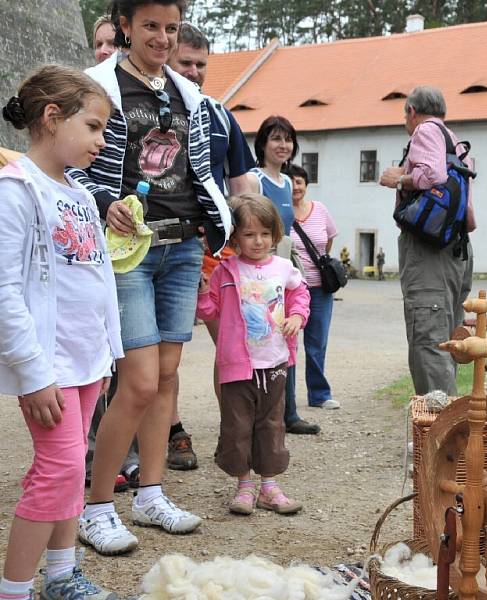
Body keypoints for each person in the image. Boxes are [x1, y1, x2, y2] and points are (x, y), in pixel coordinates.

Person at [68, 0, 232, 556]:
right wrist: (102, 201)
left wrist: (217, 225)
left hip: (184, 247)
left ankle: (151, 493)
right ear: (123, 27)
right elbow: (68, 168)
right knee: (136, 381)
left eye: (169, 27)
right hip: (129, 251)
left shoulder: (188, 94)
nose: (162, 38)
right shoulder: (98, 85)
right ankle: (95, 507)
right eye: (150, 27)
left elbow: (203, 169)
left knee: (165, 378)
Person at [0, 64, 122, 600]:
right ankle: (14, 589)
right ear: (53, 117)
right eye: (94, 127)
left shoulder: (77, 191)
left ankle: (63, 573)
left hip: (86, 358)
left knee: (73, 471)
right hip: (47, 366)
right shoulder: (16, 189)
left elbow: (94, 277)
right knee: (58, 471)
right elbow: (4, 289)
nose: (102, 140)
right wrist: (31, 372)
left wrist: (109, 348)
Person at [164, 21, 257, 471]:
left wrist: (252, 246)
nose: (196, 72)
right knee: (168, 353)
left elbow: (242, 185)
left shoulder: (220, 115)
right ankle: (173, 430)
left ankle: (236, 433)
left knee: (234, 349)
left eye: (202, 64)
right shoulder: (150, 110)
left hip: (216, 253)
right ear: (167, 57)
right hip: (166, 246)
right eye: (187, 62)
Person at [196, 194, 309, 515]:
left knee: (271, 425)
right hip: (237, 366)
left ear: (275, 234)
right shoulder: (225, 271)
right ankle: (244, 486)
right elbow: (209, 310)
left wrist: (297, 317)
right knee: (237, 426)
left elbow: (300, 296)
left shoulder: (284, 268)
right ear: (235, 237)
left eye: (264, 233)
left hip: (274, 362)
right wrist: (203, 291)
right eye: (249, 234)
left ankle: (269, 487)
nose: (258, 241)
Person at [378, 86, 475, 396]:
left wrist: (399, 178)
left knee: (429, 342)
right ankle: (448, 430)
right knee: (446, 339)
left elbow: (432, 175)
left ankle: (437, 435)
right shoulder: (455, 142)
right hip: (456, 250)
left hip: (430, 254)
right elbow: (469, 215)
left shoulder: (424, 131)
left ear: (411, 111)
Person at [85, 10, 139, 497]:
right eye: (97, 44)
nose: (104, 51)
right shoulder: (81, 108)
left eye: (111, 45)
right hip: (87, 249)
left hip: (123, 247)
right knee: (93, 361)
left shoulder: (122, 114)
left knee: (124, 363)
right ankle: (88, 458)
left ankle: (125, 455)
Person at [243, 116, 320, 435]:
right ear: (262, 143)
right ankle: (261, 411)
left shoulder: (288, 182)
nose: (282, 145)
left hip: (284, 264)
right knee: (261, 337)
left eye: (287, 139)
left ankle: (288, 411)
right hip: (259, 271)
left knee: (289, 335)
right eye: (275, 138)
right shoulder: (253, 179)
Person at [286, 164, 340, 410]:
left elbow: (327, 240)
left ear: (306, 185)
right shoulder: (281, 212)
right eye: (291, 182)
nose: (296, 186)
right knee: (288, 342)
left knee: (317, 342)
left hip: (320, 288)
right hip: (291, 287)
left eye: (300, 181)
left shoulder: (320, 210)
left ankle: (319, 394)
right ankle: (287, 400)